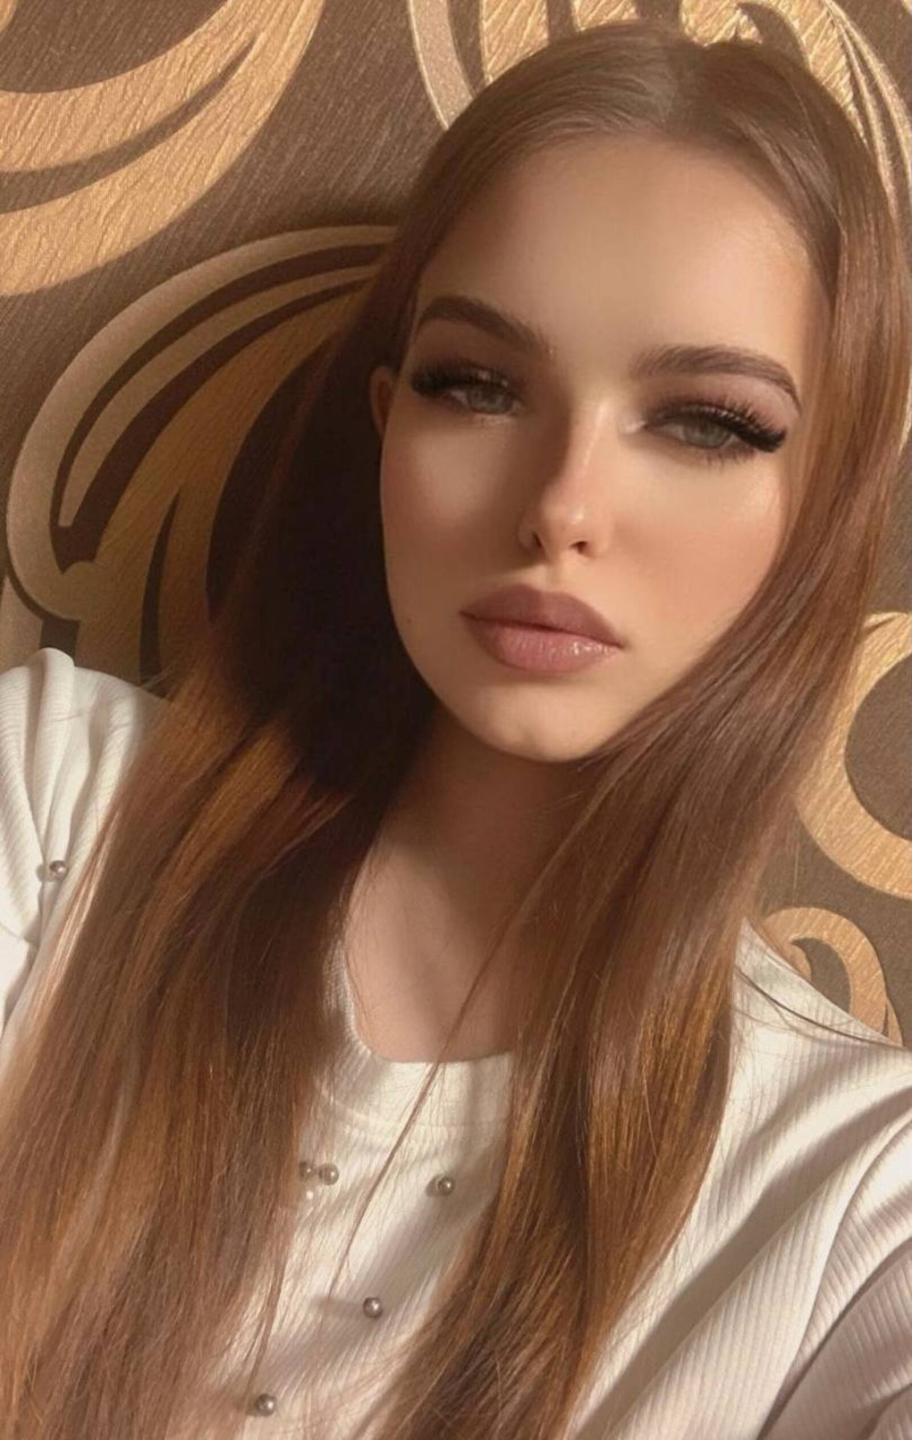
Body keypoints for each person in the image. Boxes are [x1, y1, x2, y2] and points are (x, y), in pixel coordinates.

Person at [0, 17, 910, 1440]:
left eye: (708, 423)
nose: (561, 505)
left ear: (825, 502)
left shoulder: (855, 1193)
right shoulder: (50, 803)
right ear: (387, 427)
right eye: (476, 386)